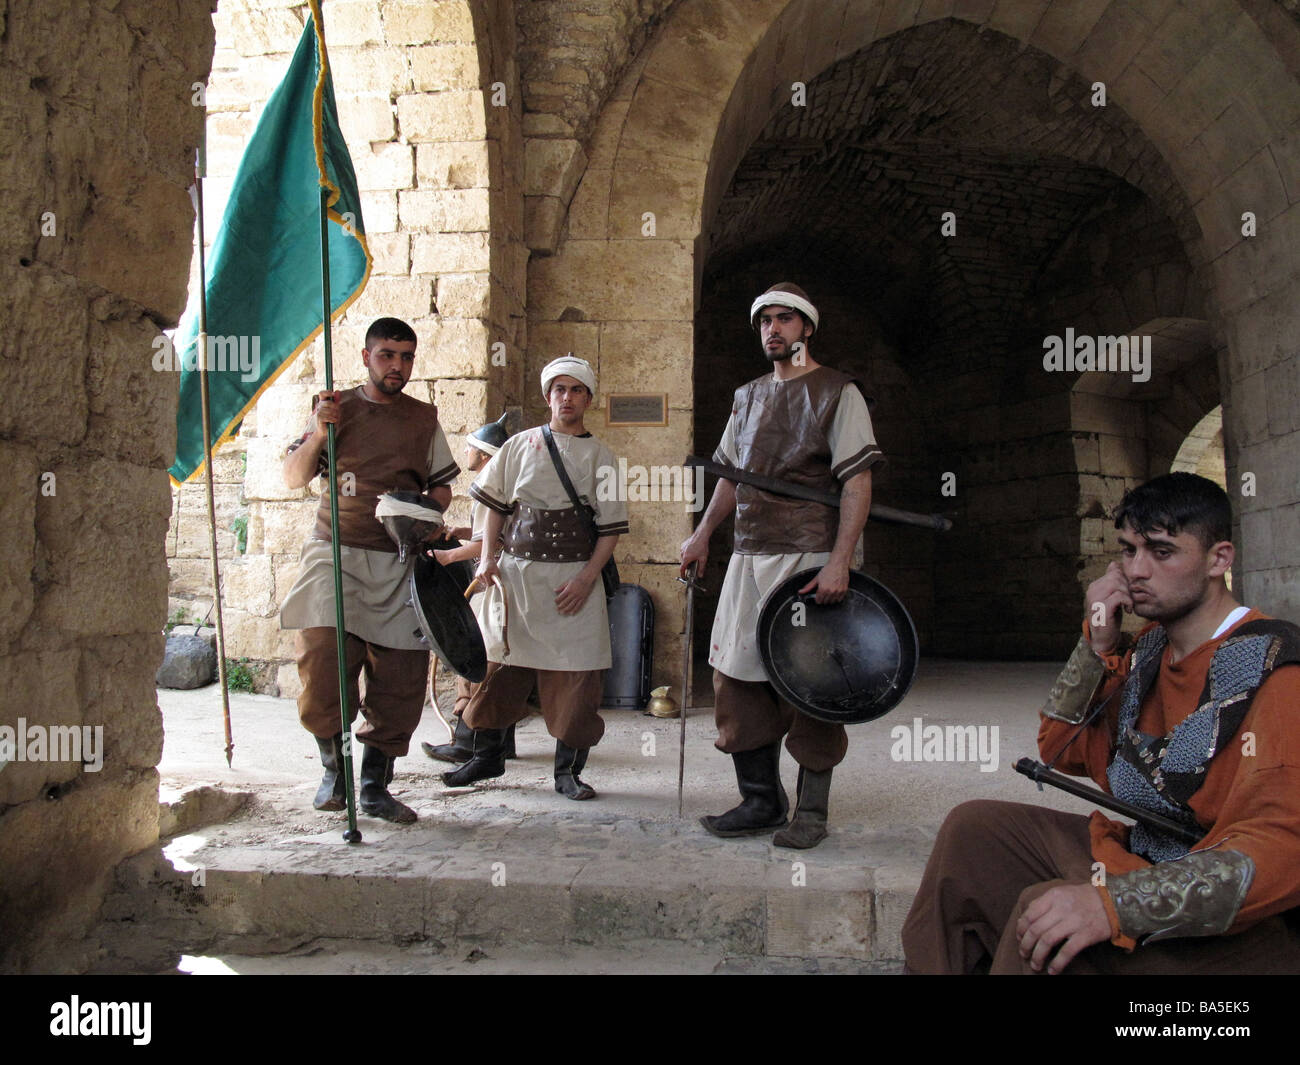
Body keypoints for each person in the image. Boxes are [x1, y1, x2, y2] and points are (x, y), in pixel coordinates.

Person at [901, 472, 1300, 974]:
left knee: (1047, 909)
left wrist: (1113, 905)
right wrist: (1097, 647)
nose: (1137, 570)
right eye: (1128, 550)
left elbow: (1284, 849)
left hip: (1243, 922)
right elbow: (1058, 749)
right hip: (1149, 855)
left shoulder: (1276, 670)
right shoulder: (1148, 650)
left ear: (1219, 559)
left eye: (1161, 552)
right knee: (974, 831)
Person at [679, 282, 884, 848]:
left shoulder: (837, 391)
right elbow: (731, 477)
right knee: (735, 676)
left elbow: (857, 480)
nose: (773, 329)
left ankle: (811, 812)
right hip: (749, 555)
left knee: (816, 680)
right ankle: (760, 801)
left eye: (785, 320)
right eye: (765, 320)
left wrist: (841, 560)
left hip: (809, 555)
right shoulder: (745, 398)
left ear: (807, 328)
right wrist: (701, 535)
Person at [280, 317, 459, 823]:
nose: (397, 366)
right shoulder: (336, 409)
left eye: (406, 357)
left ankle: (375, 786)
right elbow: (294, 476)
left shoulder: (423, 419)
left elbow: (442, 486)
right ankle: (333, 771)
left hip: (398, 558)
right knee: (322, 659)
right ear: (365, 357)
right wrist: (320, 432)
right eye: (387, 355)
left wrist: (423, 508)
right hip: (334, 551)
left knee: (400, 678)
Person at [441, 356, 628, 800]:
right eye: (559, 389)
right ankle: (487, 758)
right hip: (517, 577)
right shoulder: (519, 446)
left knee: (577, 677)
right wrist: (486, 558)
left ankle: (567, 773)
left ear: (588, 399)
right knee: (499, 667)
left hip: (572, 584)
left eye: (576, 390)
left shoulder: (601, 457)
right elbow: (495, 509)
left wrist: (586, 579)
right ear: (549, 397)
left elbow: (609, 531)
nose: (567, 397)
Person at [420, 413, 519, 765]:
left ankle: (468, 740)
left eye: (473, 448)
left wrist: (448, 557)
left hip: (493, 582)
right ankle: (500, 741)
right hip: (497, 584)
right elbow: (482, 535)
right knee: (495, 659)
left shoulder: (493, 488)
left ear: (487, 456)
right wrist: (461, 533)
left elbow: (492, 545)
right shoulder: (500, 484)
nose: (467, 452)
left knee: (479, 659)